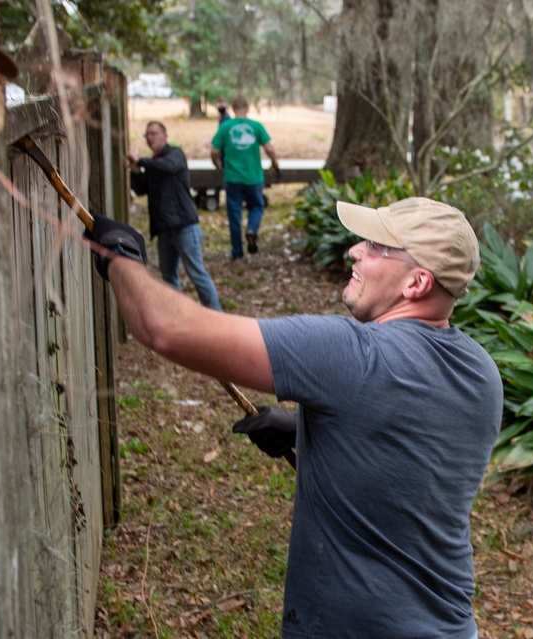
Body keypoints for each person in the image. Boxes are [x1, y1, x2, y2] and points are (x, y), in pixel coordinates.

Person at [83, 196, 503, 639]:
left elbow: (162, 327)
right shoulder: (481, 373)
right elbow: (408, 485)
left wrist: (121, 256)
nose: (355, 250)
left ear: (416, 283)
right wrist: (305, 433)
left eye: (378, 247)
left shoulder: (351, 354)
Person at [127, 121, 222, 311]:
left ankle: (217, 315)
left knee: (197, 274)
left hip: (184, 226)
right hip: (164, 230)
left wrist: (142, 162)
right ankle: (176, 316)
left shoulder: (175, 155)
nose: (150, 138)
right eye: (147, 135)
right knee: (168, 278)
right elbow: (141, 189)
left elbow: (168, 166)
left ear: (165, 136)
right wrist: (136, 171)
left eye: (154, 133)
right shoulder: (154, 164)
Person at [211, 95, 279, 260]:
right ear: (247, 108)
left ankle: (237, 252)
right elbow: (269, 148)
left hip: (233, 178)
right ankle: (251, 229)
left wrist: (218, 165)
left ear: (233, 109)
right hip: (253, 177)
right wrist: (275, 163)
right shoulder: (256, 126)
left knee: (234, 214)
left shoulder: (226, 126)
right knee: (256, 206)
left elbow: (214, 151)